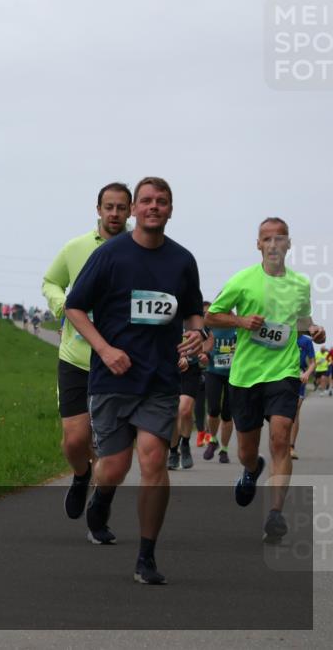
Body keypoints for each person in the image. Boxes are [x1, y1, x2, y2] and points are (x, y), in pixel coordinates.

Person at [65, 176, 204, 585]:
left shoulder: (182, 260)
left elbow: (194, 310)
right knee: (114, 465)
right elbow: (75, 308)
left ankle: (146, 556)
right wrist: (105, 351)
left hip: (160, 377)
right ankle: (101, 499)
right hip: (112, 378)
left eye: (162, 201)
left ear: (171, 210)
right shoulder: (110, 255)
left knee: (153, 459)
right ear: (136, 210)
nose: (153, 207)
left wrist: (197, 332)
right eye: (146, 201)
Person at [205, 217, 326, 544]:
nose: (273, 244)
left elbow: (301, 321)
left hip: (284, 373)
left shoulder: (300, 284)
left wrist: (314, 331)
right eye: (266, 239)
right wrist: (241, 320)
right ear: (258, 245)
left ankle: (275, 514)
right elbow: (211, 316)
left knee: (281, 439)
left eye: (279, 239)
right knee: (247, 450)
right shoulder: (243, 281)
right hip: (245, 377)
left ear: (288, 245)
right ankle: (250, 469)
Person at [41, 182, 131, 527]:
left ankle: (102, 503)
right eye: (108, 207)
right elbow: (50, 281)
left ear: (130, 211)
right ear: (98, 210)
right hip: (77, 357)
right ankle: (81, 475)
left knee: (113, 448)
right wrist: (61, 304)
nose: (114, 214)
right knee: (76, 439)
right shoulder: (76, 248)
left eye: (121, 208)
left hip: (121, 361)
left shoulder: (139, 250)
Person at [203, 303, 237, 463]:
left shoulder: (238, 325)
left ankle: (224, 449)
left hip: (233, 375)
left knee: (227, 414)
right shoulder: (209, 325)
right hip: (213, 372)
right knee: (213, 408)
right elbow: (203, 347)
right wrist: (203, 355)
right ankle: (213, 440)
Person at [290, 334, 316, 460]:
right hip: (281, 376)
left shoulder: (306, 341)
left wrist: (307, 373)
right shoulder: (283, 333)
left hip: (300, 377)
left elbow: (312, 363)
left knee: (295, 410)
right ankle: (280, 444)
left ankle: (291, 446)